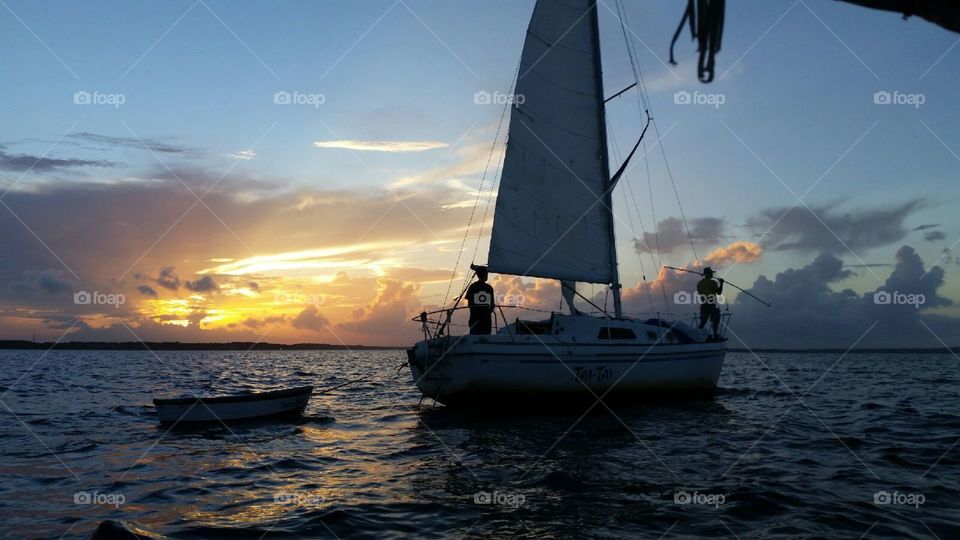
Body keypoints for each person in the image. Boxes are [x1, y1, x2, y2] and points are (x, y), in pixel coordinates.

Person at [465, 264, 494, 335]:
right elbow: (492, 304)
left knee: (474, 337)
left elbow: (470, 303)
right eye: (487, 274)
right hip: (485, 320)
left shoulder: (472, 287)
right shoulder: (489, 288)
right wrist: (487, 313)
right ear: (485, 275)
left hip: (474, 318)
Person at [696, 267, 724, 339]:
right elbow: (719, 292)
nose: (712, 274)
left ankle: (698, 335)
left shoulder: (699, 283)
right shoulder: (713, 282)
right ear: (709, 274)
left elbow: (700, 293)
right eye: (711, 273)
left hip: (703, 304)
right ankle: (715, 335)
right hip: (712, 304)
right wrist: (721, 283)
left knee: (703, 321)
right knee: (715, 320)